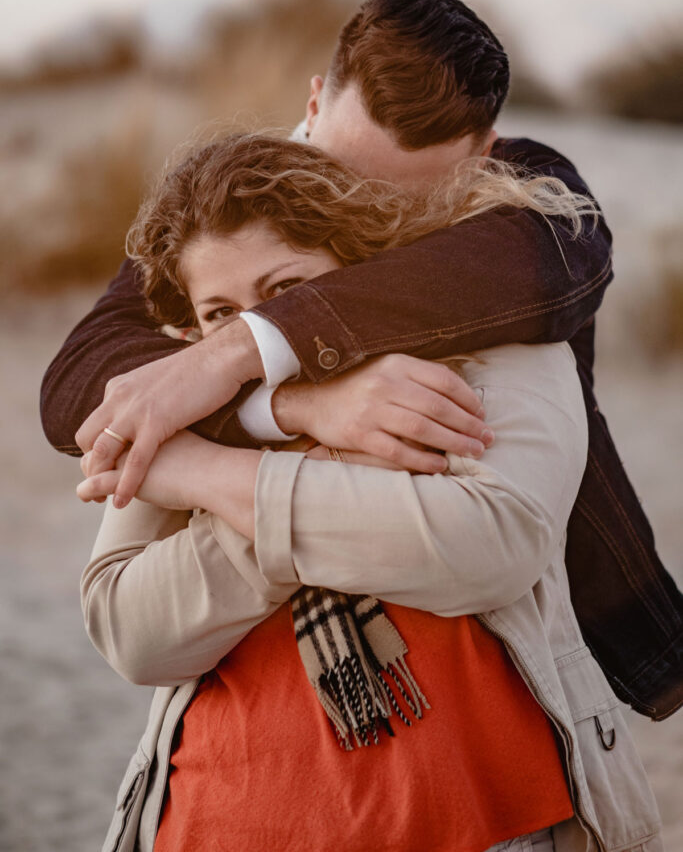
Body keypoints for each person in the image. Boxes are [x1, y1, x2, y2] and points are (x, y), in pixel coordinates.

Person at [42, 0, 683, 719]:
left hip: (521, 635)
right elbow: (76, 384)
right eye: (342, 172)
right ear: (313, 105)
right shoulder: (236, 196)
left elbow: (558, 264)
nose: (361, 211)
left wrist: (237, 356)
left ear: (483, 150)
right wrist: (292, 401)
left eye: (401, 200)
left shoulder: (520, 206)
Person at [78, 133, 662, 852]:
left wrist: (210, 479)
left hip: (488, 824)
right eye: (220, 314)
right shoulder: (179, 399)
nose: (254, 331)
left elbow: (488, 545)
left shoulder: (487, 339)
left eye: (285, 291)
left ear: (351, 267)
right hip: (216, 824)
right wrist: (325, 455)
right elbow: (128, 632)